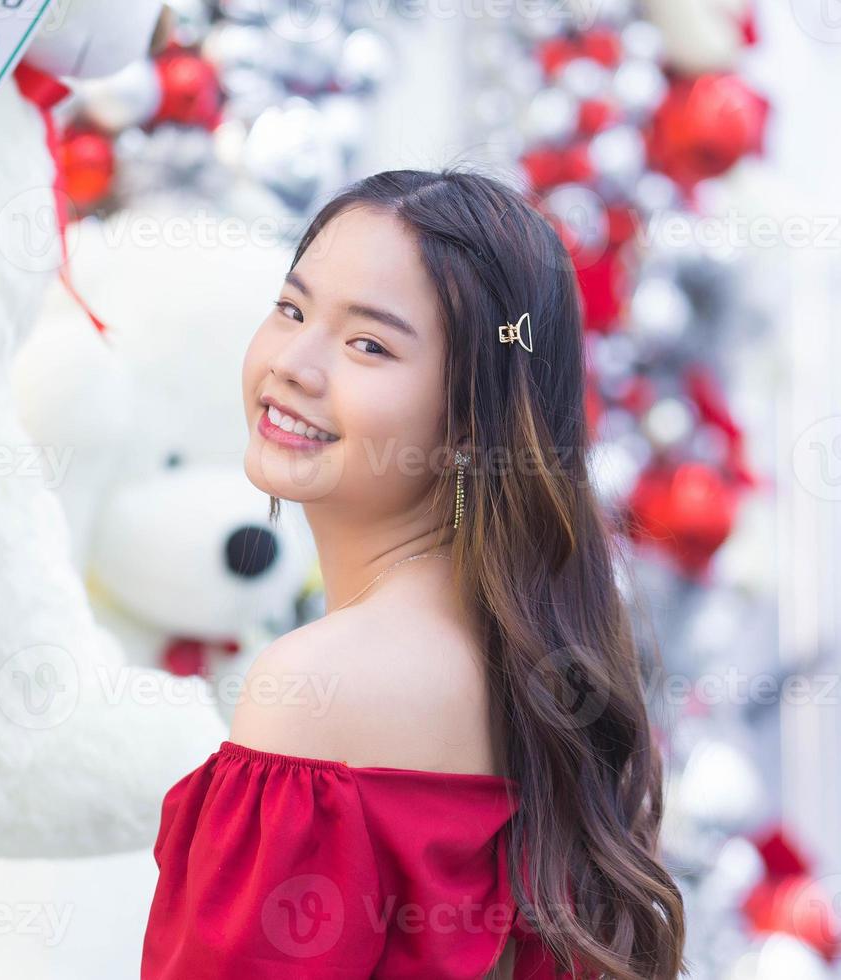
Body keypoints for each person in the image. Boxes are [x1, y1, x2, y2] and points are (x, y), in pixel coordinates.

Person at [140, 169, 686, 980]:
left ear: (473, 418)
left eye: (370, 344)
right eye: (292, 309)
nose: (295, 362)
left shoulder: (319, 687)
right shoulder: (528, 674)